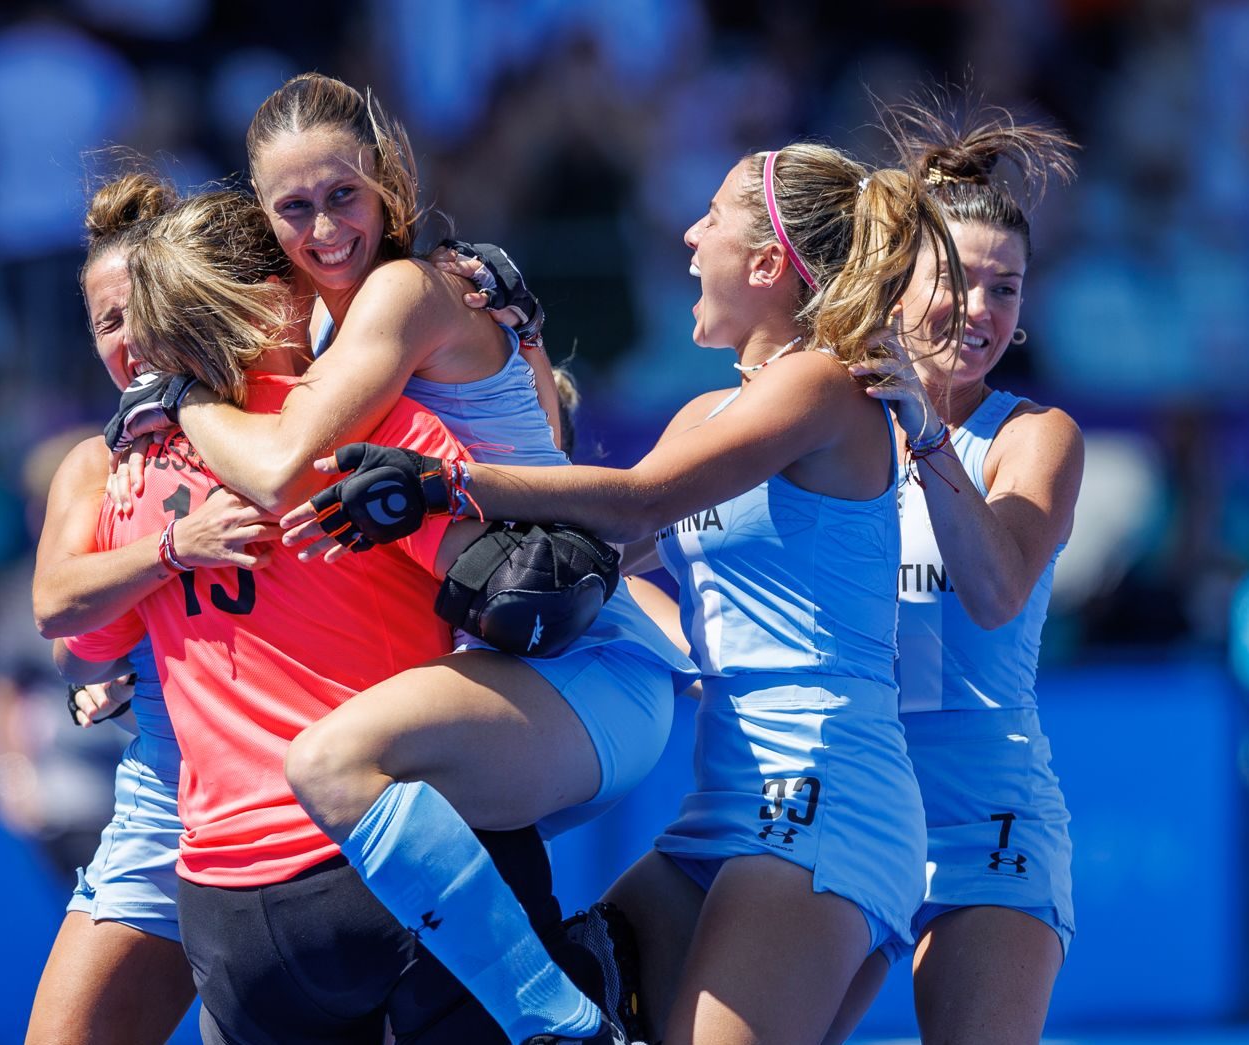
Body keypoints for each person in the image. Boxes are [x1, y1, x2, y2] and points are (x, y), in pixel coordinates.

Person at [287, 142, 965, 1045]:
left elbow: (635, 499)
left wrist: (447, 481)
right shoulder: (705, 417)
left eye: (713, 216)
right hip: (729, 803)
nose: (688, 237)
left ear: (766, 264)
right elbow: (585, 548)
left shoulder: (820, 384)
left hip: (822, 797)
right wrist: (513, 347)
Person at [118, 72, 694, 1045]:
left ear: (388, 181)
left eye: (342, 194)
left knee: (332, 762)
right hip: (532, 666)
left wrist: (179, 397)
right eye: (292, 208)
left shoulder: (396, 290)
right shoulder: (362, 316)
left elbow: (273, 465)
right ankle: (597, 971)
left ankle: (568, 1021)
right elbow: (548, 428)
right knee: (382, 836)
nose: (324, 228)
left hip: (588, 664)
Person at [55, 179, 599, 1045]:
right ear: (282, 295)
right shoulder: (386, 427)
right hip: (395, 854)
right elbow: (521, 588)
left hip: (234, 904)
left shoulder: (131, 478)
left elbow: (87, 649)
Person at [838, 98, 1081, 1044]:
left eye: (1006, 289)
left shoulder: (1034, 436)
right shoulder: (826, 417)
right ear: (899, 280)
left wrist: (928, 439)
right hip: (846, 809)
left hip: (987, 825)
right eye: (959, 280)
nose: (981, 312)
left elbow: (994, 591)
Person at [23, 173, 279, 1045]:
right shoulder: (94, 471)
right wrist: (169, 551)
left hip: (301, 794)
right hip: (165, 800)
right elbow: (65, 632)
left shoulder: (283, 421)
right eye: (105, 322)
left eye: (139, 306)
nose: (127, 338)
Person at [0, 426, 131, 884]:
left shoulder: (147, 564)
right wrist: (10, 776)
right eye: (44, 502)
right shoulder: (17, 592)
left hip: (156, 785)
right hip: (73, 792)